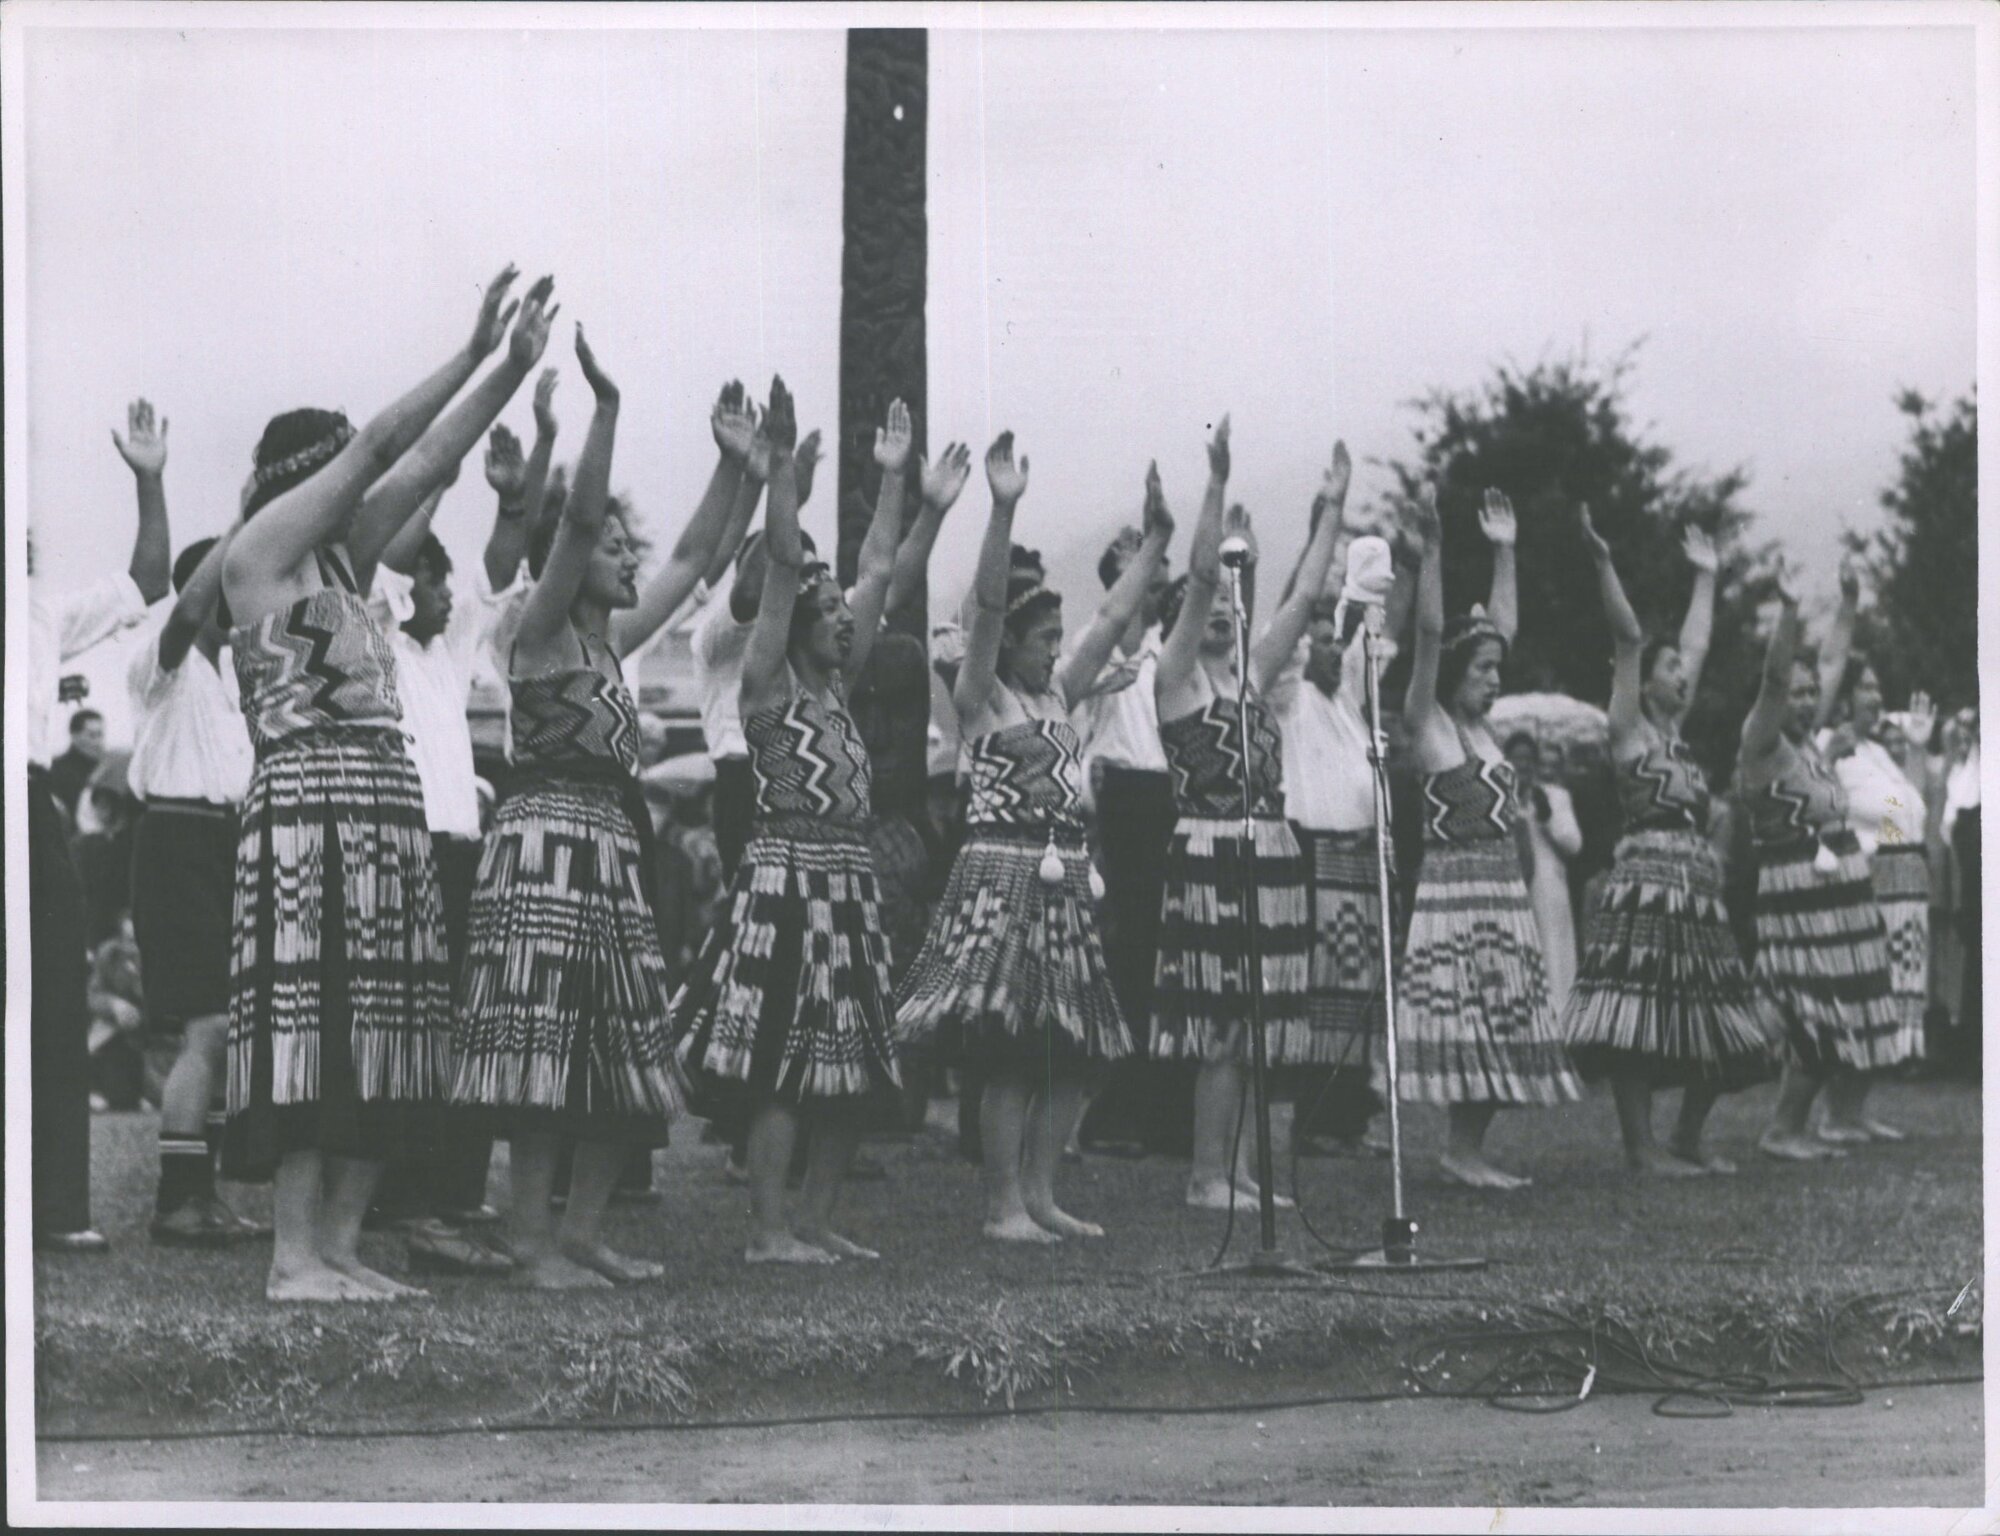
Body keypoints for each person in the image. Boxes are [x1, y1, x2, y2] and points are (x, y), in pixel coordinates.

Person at [221, 266, 551, 1301]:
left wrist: (511, 367)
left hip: (382, 810)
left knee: (391, 1030)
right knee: (315, 1030)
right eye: (336, 472)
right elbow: (380, 447)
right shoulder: (257, 557)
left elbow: (431, 459)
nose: (358, 488)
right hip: (307, 813)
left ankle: (340, 1247)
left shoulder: (346, 562)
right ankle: (291, 1256)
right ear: (303, 478)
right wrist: (470, 349)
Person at [455, 327, 732, 1287]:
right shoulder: (534, 630)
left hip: (610, 851)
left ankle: (580, 1235)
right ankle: (533, 1243)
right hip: (544, 848)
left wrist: (740, 468)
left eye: (624, 546)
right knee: (545, 1052)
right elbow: (574, 526)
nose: (624, 557)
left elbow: (693, 554)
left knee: (622, 1047)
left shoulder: (614, 642)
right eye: (612, 548)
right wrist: (606, 411)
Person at [897, 441, 1171, 1241]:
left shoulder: (1058, 696)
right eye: (1044, 636)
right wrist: (1003, 507)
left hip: (1063, 881)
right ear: (1010, 643)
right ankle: (1003, 1204)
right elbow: (985, 608)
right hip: (1004, 878)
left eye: (1057, 636)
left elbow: (1112, 620)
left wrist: (1156, 540)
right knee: (1013, 1051)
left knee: (1070, 1049)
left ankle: (1043, 1195)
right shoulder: (981, 699)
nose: (1057, 646)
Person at [671, 379, 904, 1264]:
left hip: (848, 882)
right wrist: (780, 476)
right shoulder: (766, 681)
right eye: (831, 613)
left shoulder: (838, 687)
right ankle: (771, 1231)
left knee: (849, 1053)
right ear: (798, 622)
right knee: (779, 1056)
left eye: (846, 615)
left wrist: (892, 479)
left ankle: (814, 1221)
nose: (846, 622)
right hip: (784, 878)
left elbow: (879, 569)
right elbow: (776, 571)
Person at [363, 418, 557, 1276]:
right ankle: (411, 1204)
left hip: (459, 854)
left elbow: (494, 571)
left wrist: (511, 500)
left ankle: (450, 1197)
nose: (448, 597)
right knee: (417, 1035)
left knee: (466, 1034)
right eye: (433, 583)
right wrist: (439, 479)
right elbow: (397, 562)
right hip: (405, 854)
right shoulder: (376, 638)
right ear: (410, 588)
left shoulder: (446, 653)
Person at [1150, 421, 1346, 1210]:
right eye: (1209, 611)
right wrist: (1216, 484)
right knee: (1224, 1023)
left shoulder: (1253, 678)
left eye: (1233, 610)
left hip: (1268, 853)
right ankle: (1206, 1174)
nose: (1223, 615)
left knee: (1259, 1023)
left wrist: (1332, 509)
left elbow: (1302, 598)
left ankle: (1237, 1172)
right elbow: (1203, 579)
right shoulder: (1177, 681)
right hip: (1213, 854)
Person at [1561, 511, 1775, 1173]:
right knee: (1638, 1009)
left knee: (1715, 1005)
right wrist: (1603, 563)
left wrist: (1706, 577)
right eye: (1671, 667)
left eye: (1682, 668)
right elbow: (1629, 638)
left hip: (1696, 891)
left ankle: (1685, 1136)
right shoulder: (1627, 730)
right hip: (1646, 884)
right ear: (1645, 680)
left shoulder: (1676, 736)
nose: (1683, 673)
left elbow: (1699, 643)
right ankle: (1640, 1147)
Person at [1397, 487, 1580, 1189]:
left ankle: (1468, 1149)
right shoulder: (1429, 724)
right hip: (1455, 897)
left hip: (1501, 895)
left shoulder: (1485, 732)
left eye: (1497, 671)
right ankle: (1460, 1151)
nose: (1495, 680)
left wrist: (1506, 551)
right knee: (1471, 1022)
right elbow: (1428, 634)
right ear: (1454, 672)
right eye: (1482, 670)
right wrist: (1435, 553)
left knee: (1503, 1021)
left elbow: (1500, 629)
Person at [29, 399, 172, 1250]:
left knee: (55, 997)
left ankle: (55, 1210)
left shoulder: (39, 613)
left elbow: (147, 582)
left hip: (25, 804)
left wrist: (149, 481)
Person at [1736, 562, 1901, 1161]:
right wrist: (1788, 611)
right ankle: (1783, 1129)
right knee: (1814, 1007)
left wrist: (1849, 602)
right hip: (1798, 901)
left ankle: (1837, 1118)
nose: (1807, 701)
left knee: (1850, 998)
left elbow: (1831, 660)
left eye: (1813, 694)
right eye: (1798, 693)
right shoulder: (1763, 742)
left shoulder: (1807, 743)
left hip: (1839, 900)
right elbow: (1775, 677)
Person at [128, 508, 262, 1245]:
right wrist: (243, 523)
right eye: (227, 587)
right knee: (207, 1025)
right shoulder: (164, 661)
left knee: (227, 1029)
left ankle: (200, 1192)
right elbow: (184, 612)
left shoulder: (235, 678)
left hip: (225, 841)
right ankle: (177, 1198)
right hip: (176, 839)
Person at [1263, 458, 1393, 1158]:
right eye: (1317, 633)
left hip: (1357, 856)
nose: (1330, 644)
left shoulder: (1348, 695)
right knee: (1319, 987)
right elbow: (1295, 605)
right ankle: (1312, 1118)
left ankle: (1348, 1115)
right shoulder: (1288, 693)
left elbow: (1375, 619)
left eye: (1335, 635)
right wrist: (1327, 517)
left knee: (1358, 984)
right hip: (1310, 851)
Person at [1071, 514, 1186, 1160]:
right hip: (1122, 802)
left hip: (1165, 799)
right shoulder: (1102, 643)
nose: (1156, 587)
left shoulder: (1168, 650)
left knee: (1165, 958)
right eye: (1146, 575)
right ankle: (1113, 1110)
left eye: (1161, 576)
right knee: (1130, 955)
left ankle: (1161, 1109)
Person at [1811, 588, 1934, 1139]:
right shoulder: (1828, 745)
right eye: (1866, 687)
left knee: (1891, 997)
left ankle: (1856, 1109)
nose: (1876, 696)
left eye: (1878, 688)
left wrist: (1917, 749)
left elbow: (1909, 815)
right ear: (1842, 698)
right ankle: (1834, 1113)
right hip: (1863, 882)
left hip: (1903, 882)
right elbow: (1825, 809)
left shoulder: (1879, 752)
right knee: (1862, 994)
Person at [1505, 733, 1583, 1015]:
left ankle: (1558, 1016)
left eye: (1528, 758)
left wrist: (1547, 816)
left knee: (1553, 954)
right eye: (1516, 758)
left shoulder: (1554, 796)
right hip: (1512, 887)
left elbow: (1574, 845)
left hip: (1548, 890)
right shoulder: (1500, 797)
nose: (1522, 765)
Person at [49, 709, 108, 822]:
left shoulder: (106, 765)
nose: (99, 742)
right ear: (74, 736)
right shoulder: (57, 770)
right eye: (92, 735)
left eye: (100, 735)